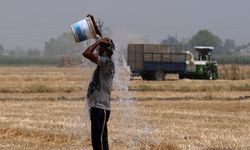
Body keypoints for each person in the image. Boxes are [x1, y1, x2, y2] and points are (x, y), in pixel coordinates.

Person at [83, 37, 115, 150]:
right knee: (99, 142)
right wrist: (94, 26)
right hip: (97, 108)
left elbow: (86, 53)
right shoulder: (104, 63)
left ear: (105, 51)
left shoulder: (107, 63)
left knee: (99, 144)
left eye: (101, 48)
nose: (98, 50)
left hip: (100, 109)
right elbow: (99, 36)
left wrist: (97, 42)